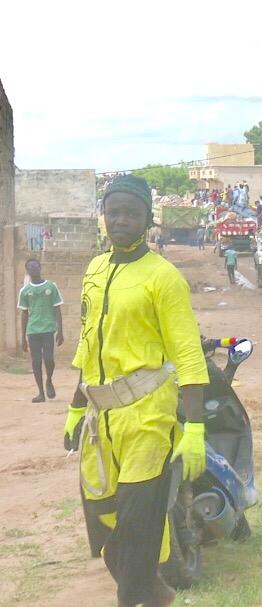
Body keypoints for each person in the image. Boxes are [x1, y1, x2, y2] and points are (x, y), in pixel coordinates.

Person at [64, 174, 208, 607]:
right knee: (107, 529)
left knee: (137, 525)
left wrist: (196, 427)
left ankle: (136, 598)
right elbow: (89, 347)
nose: (121, 221)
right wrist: (74, 409)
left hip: (148, 415)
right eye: (114, 212)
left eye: (131, 213)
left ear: (148, 219)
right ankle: (159, 595)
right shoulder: (95, 270)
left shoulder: (164, 278)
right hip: (100, 418)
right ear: (103, 216)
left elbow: (187, 354)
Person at [19, 258, 64, 403]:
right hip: (33, 330)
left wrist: (61, 331)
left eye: (35, 266)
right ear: (27, 271)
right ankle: (40, 393)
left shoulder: (51, 286)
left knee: (49, 359)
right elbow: (24, 313)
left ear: (40, 267)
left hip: (48, 329)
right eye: (30, 267)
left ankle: (49, 380)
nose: (33, 268)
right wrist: (22, 338)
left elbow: (58, 309)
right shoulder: (25, 291)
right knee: (36, 361)